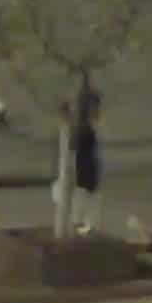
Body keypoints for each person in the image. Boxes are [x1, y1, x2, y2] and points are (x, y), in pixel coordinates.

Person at [57, 82, 104, 234]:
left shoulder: (83, 128)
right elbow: (74, 148)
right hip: (83, 178)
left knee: (84, 210)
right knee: (82, 212)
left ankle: (79, 229)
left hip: (85, 177)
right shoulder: (82, 129)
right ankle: (79, 231)